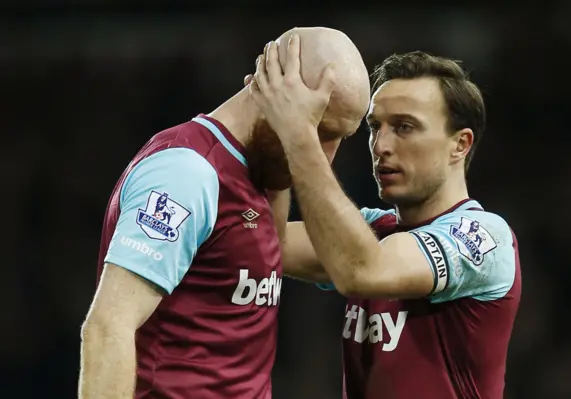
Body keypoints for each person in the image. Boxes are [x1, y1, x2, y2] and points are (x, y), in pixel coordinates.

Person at [78, 27, 370, 399]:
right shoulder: (186, 173)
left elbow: (342, 262)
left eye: (339, 138)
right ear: (276, 90)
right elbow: (107, 328)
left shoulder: (260, 175)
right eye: (321, 130)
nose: (326, 157)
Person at [251, 42, 521, 398]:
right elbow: (267, 243)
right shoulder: (373, 231)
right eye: (375, 127)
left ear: (460, 144)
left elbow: (364, 271)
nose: (380, 146)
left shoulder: (484, 238)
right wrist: (277, 136)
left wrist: (300, 137)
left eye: (405, 127)